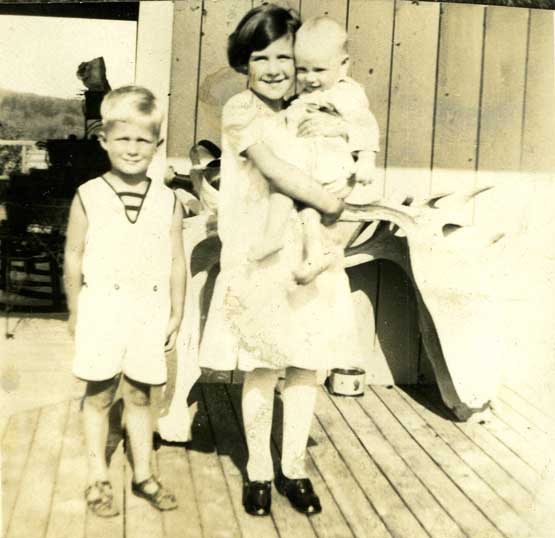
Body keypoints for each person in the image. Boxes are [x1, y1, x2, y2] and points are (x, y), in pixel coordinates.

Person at [199, 4, 365, 517]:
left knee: (303, 366)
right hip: (259, 256)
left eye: (283, 57)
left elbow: (349, 145)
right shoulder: (240, 110)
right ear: (244, 64)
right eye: (260, 58)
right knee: (262, 366)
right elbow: (275, 171)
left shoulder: (313, 104)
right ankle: (259, 470)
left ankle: (293, 466)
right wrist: (331, 201)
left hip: (307, 254)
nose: (273, 69)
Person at [64, 85, 185, 516]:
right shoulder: (88, 194)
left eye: (142, 140)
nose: (132, 149)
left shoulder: (168, 199)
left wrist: (177, 312)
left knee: (139, 395)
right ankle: (97, 476)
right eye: (122, 138)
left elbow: (176, 259)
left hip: (148, 310)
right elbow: (74, 255)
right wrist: (76, 309)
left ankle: (143, 475)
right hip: (102, 308)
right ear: (104, 139)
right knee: (99, 395)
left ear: (156, 143)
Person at [249, 15, 380, 284]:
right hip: (309, 170)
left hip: (330, 169)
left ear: (343, 65)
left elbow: (365, 125)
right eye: (303, 70)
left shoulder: (346, 93)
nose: (310, 79)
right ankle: (313, 253)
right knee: (304, 208)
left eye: (319, 70)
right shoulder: (303, 97)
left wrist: (366, 159)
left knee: (291, 192)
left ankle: (276, 238)